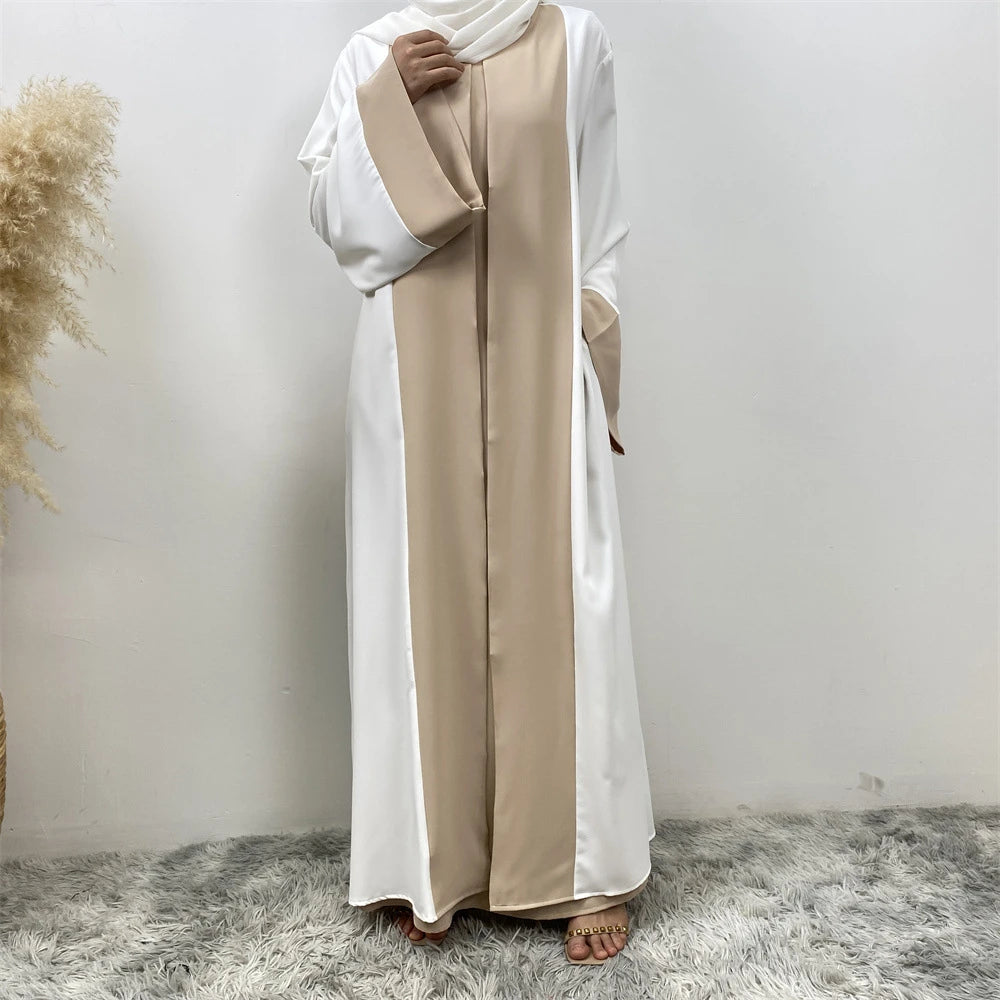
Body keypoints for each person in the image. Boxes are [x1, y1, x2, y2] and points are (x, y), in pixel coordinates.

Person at [296, 0, 655, 966]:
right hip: (411, 372)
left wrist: (589, 334)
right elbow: (338, 225)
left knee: (560, 599)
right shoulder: (375, 51)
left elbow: (601, 211)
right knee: (426, 601)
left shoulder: (577, 39)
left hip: (545, 356)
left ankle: (581, 870)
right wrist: (388, 106)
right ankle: (431, 862)